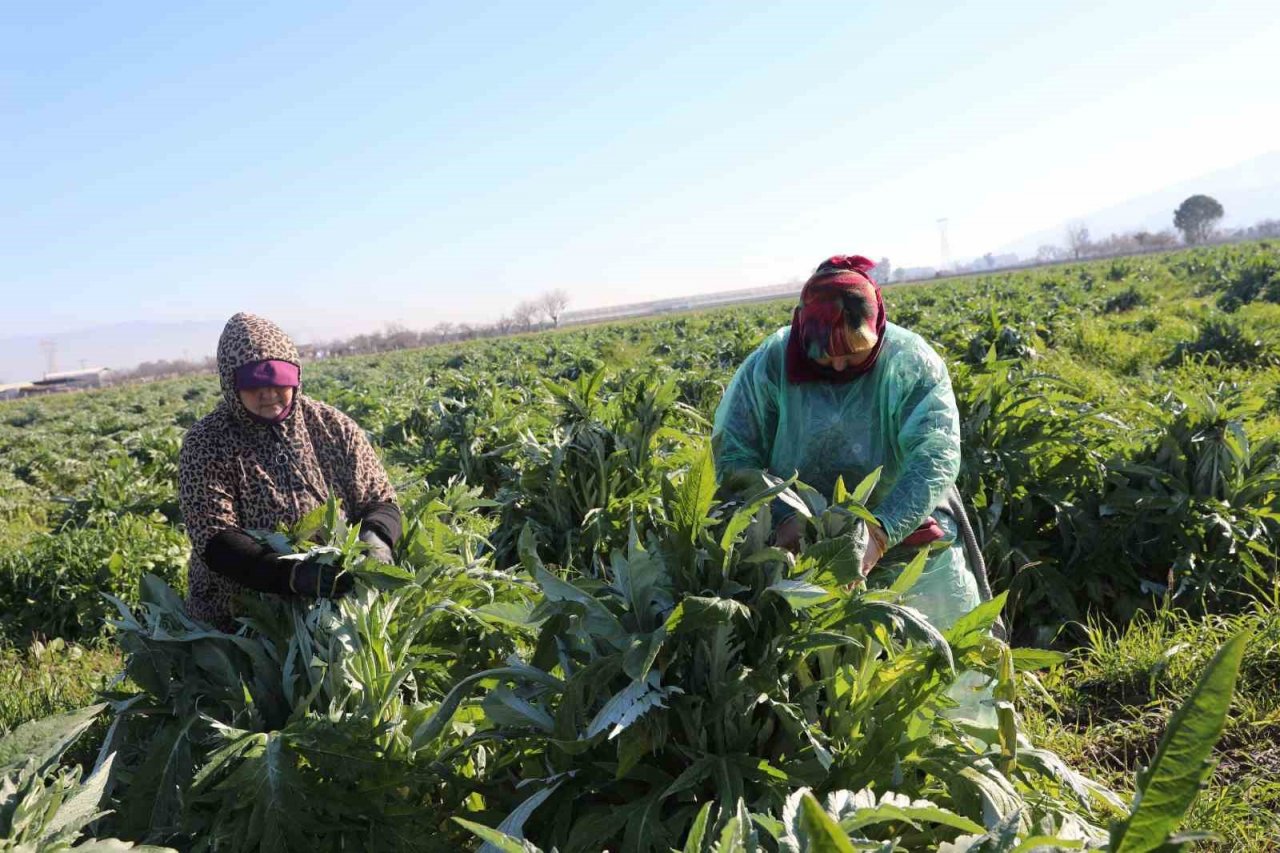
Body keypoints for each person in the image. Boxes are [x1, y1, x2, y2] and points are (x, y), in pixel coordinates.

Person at [713, 254, 988, 642]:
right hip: (796, 542)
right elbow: (735, 455)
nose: (840, 365)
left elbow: (935, 457)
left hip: (901, 522)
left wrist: (879, 533)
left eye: (854, 351)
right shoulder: (771, 365)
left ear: (876, 326)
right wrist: (782, 516)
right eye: (825, 354)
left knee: (939, 650)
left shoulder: (910, 364)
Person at [179, 312, 401, 629]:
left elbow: (380, 499)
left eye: (278, 380)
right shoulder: (206, 443)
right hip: (244, 614)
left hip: (341, 607)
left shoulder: (333, 427)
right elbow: (215, 539)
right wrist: (292, 576)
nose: (268, 393)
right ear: (231, 384)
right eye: (254, 384)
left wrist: (377, 541)